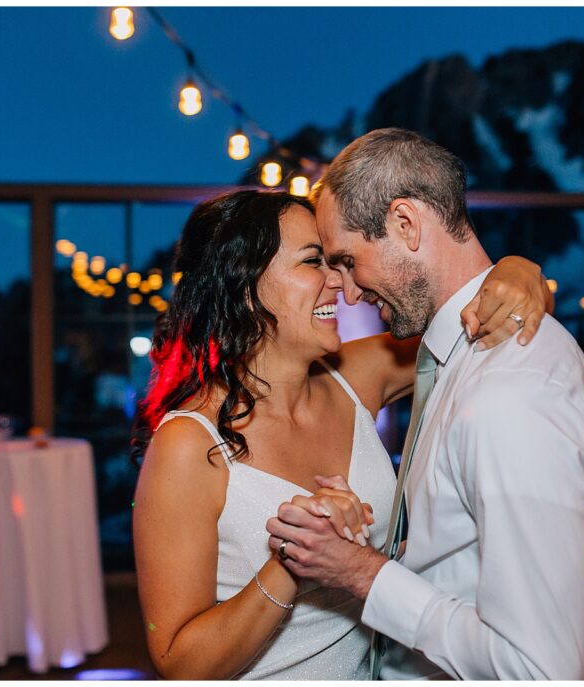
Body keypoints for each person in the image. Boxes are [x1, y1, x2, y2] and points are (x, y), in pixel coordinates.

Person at [131, 189, 553, 679]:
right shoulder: (188, 444)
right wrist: (295, 559)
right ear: (245, 286)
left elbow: (483, 318)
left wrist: (519, 271)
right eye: (315, 262)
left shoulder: (355, 377)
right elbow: (179, 665)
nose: (340, 283)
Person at [266, 128, 584, 680]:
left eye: (349, 260)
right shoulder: (454, 356)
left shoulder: (510, 395)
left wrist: (363, 573)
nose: (349, 292)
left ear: (405, 224)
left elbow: (540, 672)